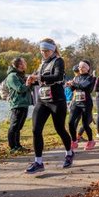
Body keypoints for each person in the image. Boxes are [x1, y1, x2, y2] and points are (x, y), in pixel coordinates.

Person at [25, 38, 73, 173]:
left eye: (46, 51)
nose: (44, 53)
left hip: (57, 101)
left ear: (52, 50)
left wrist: (38, 78)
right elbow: (40, 81)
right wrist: (31, 81)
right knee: (36, 130)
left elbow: (57, 77)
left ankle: (69, 153)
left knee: (60, 129)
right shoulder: (41, 64)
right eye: (42, 51)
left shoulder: (59, 61)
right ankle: (38, 162)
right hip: (42, 100)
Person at [4, 57, 32, 153]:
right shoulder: (12, 76)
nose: (25, 64)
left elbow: (27, 88)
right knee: (14, 126)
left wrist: (30, 83)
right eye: (24, 62)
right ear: (19, 65)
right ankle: (12, 147)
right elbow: (20, 89)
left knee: (18, 127)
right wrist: (28, 83)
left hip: (24, 103)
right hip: (17, 104)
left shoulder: (20, 75)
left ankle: (18, 146)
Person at [67, 61, 97, 150]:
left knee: (85, 124)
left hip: (86, 103)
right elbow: (73, 89)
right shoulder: (76, 77)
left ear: (87, 68)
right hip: (76, 102)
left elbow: (85, 87)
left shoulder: (90, 78)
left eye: (83, 67)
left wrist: (73, 84)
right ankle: (74, 141)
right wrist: (70, 85)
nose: (80, 68)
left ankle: (91, 141)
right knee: (70, 122)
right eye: (79, 67)